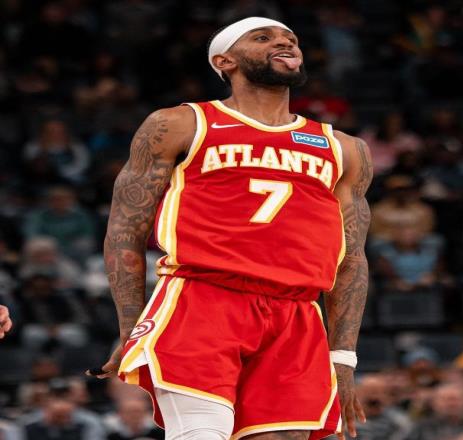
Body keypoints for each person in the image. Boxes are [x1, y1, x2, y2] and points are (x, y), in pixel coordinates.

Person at [90, 16, 372, 440]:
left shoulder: (344, 148)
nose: (285, 43)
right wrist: (130, 328)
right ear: (225, 61)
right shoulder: (181, 123)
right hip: (203, 298)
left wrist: (343, 357)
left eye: (291, 38)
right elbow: (124, 232)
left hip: (296, 313)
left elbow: (351, 258)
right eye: (263, 37)